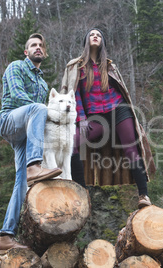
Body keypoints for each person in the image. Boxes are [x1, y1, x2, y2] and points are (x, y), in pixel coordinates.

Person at [60, 28, 155, 209]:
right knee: (71, 143)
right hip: (95, 117)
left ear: (102, 42)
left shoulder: (110, 67)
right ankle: (82, 192)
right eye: (92, 34)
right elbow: (75, 94)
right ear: (86, 41)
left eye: (99, 35)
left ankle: (143, 195)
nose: (95, 36)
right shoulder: (76, 66)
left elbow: (122, 92)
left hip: (119, 110)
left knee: (131, 148)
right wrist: (81, 118)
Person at [0, 33, 62, 254]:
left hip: (25, 136)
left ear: (45, 52)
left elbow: (38, 123)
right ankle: (34, 166)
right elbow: (16, 96)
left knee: (21, 184)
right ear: (26, 52)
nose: (37, 48)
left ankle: (6, 236)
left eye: (41, 46)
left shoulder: (43, 85)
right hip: (9, 121)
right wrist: (47, 111)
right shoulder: (16, 67)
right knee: (39, 108)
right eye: (33, 45)